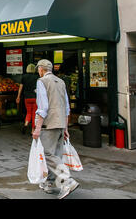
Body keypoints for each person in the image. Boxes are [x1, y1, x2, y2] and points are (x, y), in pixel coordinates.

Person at [32, 59, 79, 199]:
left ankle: (67, 181)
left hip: (49, 123)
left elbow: (43, 107)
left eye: (38, 69)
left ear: (41, 69)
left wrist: (37, 127)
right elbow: (66, 106)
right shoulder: (61, 82)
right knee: (56, 155)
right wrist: (65, 127)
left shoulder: (42, 82)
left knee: (48, 154)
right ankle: (50, 183)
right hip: (60, 123)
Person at [17, 63, 39, 134]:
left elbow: (21, 87)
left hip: (27, 97)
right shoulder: (37, 77)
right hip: (35, 98)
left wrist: (18, 97)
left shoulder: (24, 77)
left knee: (28, 112)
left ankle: (26, 124)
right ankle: (33, 130)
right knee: (34, 114)